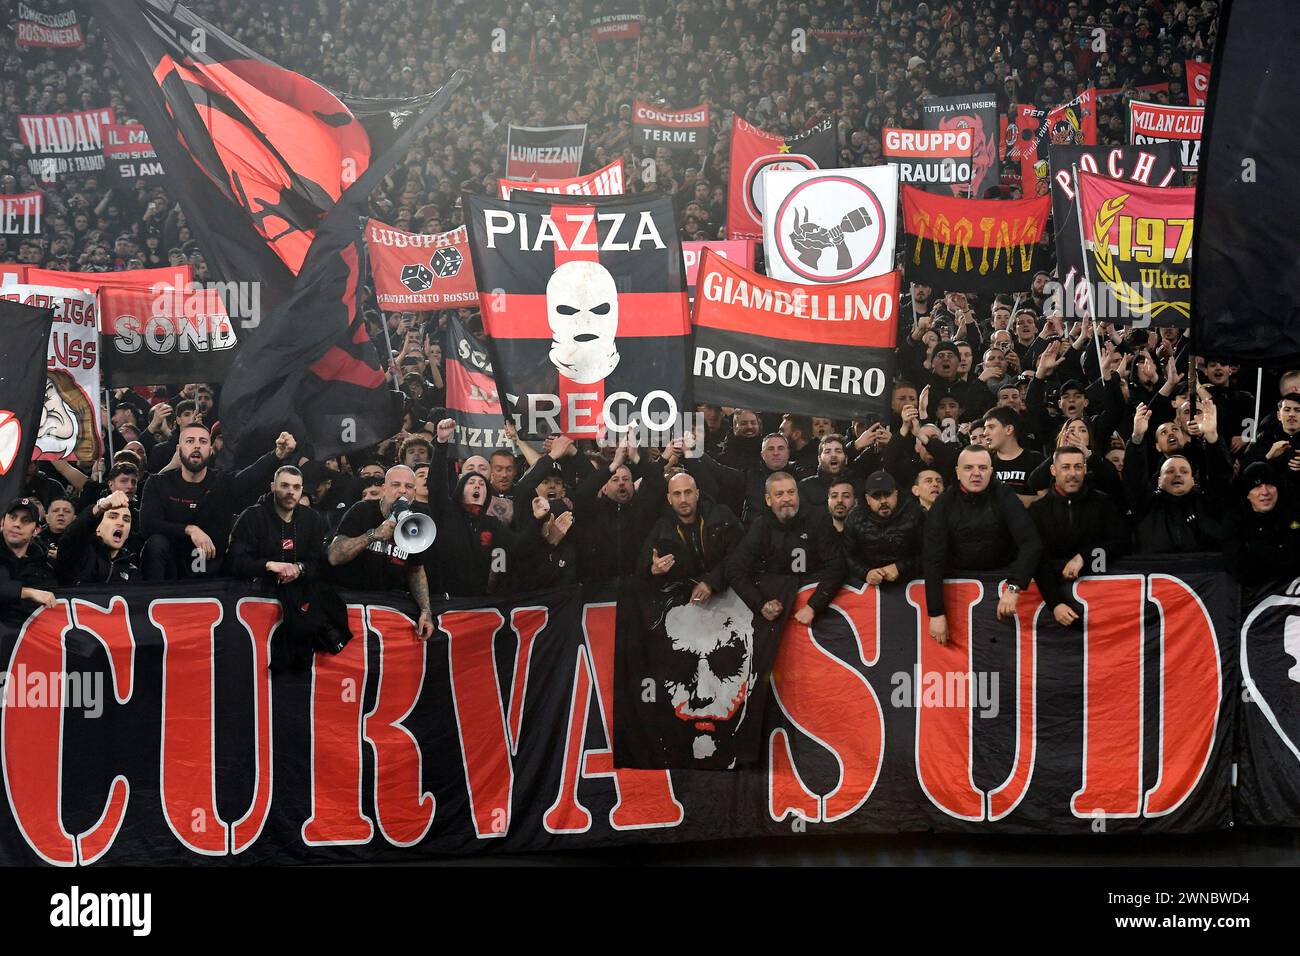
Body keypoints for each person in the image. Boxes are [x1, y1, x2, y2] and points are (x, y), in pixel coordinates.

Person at [139, 424, 297, 580]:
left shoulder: (222, 482)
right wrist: (189, 530)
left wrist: (277, 455)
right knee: (156, 543)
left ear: (210, 449)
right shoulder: (157, 483)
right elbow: (148, 525)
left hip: (215, 569)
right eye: (190, 441)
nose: (196, 446)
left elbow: (250, 476)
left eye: (202, 441)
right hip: (171, 566)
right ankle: (151, 599)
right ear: (179, 449)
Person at [923, 447, 1043, 645]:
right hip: (960, 581)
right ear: (957, 472)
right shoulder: (943, 503)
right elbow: (932, 558)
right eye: (969, 468)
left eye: (982, 467)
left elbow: (1031, 543)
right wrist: (936, 613)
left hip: (1002, 577)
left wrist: (1014, 587)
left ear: (991, 471)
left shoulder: (1004, 495)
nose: (976, 473)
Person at [229, 465, 339, 667]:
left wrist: (299, 568)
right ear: (273, 486)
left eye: (296, 487)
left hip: (299, 599)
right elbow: (235, 562)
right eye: (285, 485)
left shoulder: (313, 519)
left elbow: (320, 564)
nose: (291, 492)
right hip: (255, 601)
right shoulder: (252, 517)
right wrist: (270, 566)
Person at [326, 465, 435, 639]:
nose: (402, 491)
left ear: (414, 492)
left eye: (408, 487)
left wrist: (426, 611)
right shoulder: (362, 510)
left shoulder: (416, 521)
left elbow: (415, 569)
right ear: (384, 488)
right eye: (395, 485)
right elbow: (334, 556)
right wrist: (373, 535)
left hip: (388, 608)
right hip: (351, 603)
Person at [725, 472, 846, 626]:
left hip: (816, 600)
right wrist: (760, 604)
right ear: (768, 500)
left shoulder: (818, 519)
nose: (787, 499)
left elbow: (837, 566)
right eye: (779, 494)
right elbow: (734, 568)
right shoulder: (761, 526)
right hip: (780, 603)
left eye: (791, 492)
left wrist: (814, 605)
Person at [1027, 446, 1128, 626]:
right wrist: (1055, 603)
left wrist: (1084, 556)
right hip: (1051, 608)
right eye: (1065, 467)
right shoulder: (1037, 511)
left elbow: (1120, 542)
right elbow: (1037, 559)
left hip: (1102, 604)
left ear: (1085, 469)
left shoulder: (1104, 503)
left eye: (1078, 467)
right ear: (1053, 470)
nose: (1072, 473)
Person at [428, 419, 521, 596]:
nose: (477, 485)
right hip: (444, 601)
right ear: (460, 487)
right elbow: (436, 486)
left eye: (482, 483)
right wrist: (441, 444)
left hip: (478, 602)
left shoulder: (492, 523)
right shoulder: (447, 513)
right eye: (471, 481)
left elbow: (520, 546)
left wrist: (539, 523)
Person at [1125, 402, 1232, 555]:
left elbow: (1221, 478)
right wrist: (1137, 438)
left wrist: (1212, 437)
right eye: (1170, 471)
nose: (1177, 474)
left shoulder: (1206, 505)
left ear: (1194, 480)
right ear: (1159, 480)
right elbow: (1134, 479)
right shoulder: (1147, 506)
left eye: (1184, 471)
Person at [639, 471, 742, 603]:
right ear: (669, 499)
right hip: (689, 599)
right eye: (677, 494)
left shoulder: (722, 515)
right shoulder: (661, 527)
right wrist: (653, 569)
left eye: (688, 492)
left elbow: (740, 554)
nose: (683, 500)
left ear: (697, 494)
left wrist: (711, 582)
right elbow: (642, 567)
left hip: (730, 589)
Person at [843, 470, 924, 586]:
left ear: (896, 493)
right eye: (876, 496)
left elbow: (928, 553)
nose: (883, 501)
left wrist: (900, 567)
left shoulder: (916, 514)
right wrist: (866, 573)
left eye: (887, 494)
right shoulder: (854, 519)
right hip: (868, 585)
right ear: (867, 499)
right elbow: (848, 556)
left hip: (911, 582)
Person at [53, 490, 139, 586]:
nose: (121, 523)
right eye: (113, 517)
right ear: (98, 528)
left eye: (126, 520)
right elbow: (70, 537)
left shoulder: (132, 571)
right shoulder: (78, 555)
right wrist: (100, 507)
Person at [0, 498, 58, 626]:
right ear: (3, 522)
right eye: (13, 517)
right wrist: (28, 592)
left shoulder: (43, 566)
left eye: (25, 520)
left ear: (36, 530)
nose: (17, 524)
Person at [983, 407, 1044, 505]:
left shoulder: (1036, 460)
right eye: (985, 428)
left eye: (991, 427)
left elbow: (1046, 499)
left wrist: (1010, 499)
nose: (985, 433)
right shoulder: (985, 462)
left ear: (1009, 429)